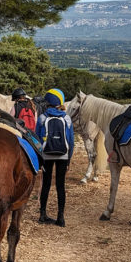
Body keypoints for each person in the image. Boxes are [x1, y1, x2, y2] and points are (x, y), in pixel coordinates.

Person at [36, 88, 74, 226]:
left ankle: (42, 214)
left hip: (46, 154)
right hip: (62, 155)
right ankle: (61, 217)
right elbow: (71, 141)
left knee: (46, 184)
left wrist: (39, 158)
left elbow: (37, 139)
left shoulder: (42, 118)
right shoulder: (67, 118)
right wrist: (69, 159)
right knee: (60, 186)